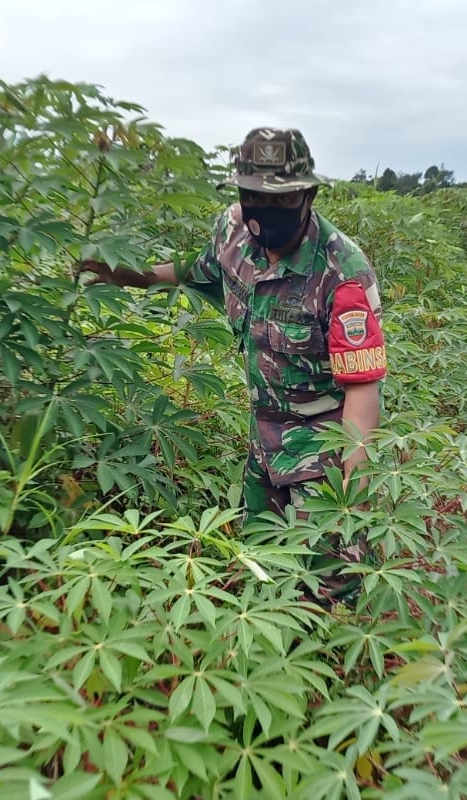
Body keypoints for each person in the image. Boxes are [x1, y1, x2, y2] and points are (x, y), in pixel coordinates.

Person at [80, 127, 387, 598]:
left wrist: (352, 490)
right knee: (263, 565)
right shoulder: (233, 233)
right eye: (252, 196)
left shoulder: (341, 272)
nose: (264, 210)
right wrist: (123, 275)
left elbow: (362, 387)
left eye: (280, 200)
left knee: (325, 585)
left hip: (320, 448)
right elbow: (190, 271)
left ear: (308, 195)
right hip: (263, 438)